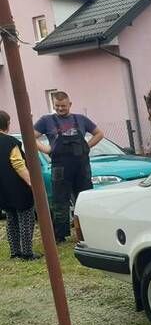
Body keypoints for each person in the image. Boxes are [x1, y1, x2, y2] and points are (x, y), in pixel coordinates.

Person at [33, 91, 104, 242]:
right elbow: (31, 136)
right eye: (57, 106)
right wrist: (47, 149)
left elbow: (99, 134)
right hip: (60, 166)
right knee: (60, 200)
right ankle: (60, 235)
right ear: (53, 105)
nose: (60, 109)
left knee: (85, 197)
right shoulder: (46, 120)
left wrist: (87, 146)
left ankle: (88, 230)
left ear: (69, 104)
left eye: (63, 106)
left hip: (81, 165)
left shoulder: (81, 119)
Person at [0, 111, 39, 260]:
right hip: (17, 187)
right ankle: (27, 252)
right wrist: (31, 183)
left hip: (2, 190)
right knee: (25, 218)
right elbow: (18, 164)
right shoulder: (10, 142)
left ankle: (15, 252)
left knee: (11, 220)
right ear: (7, 124)